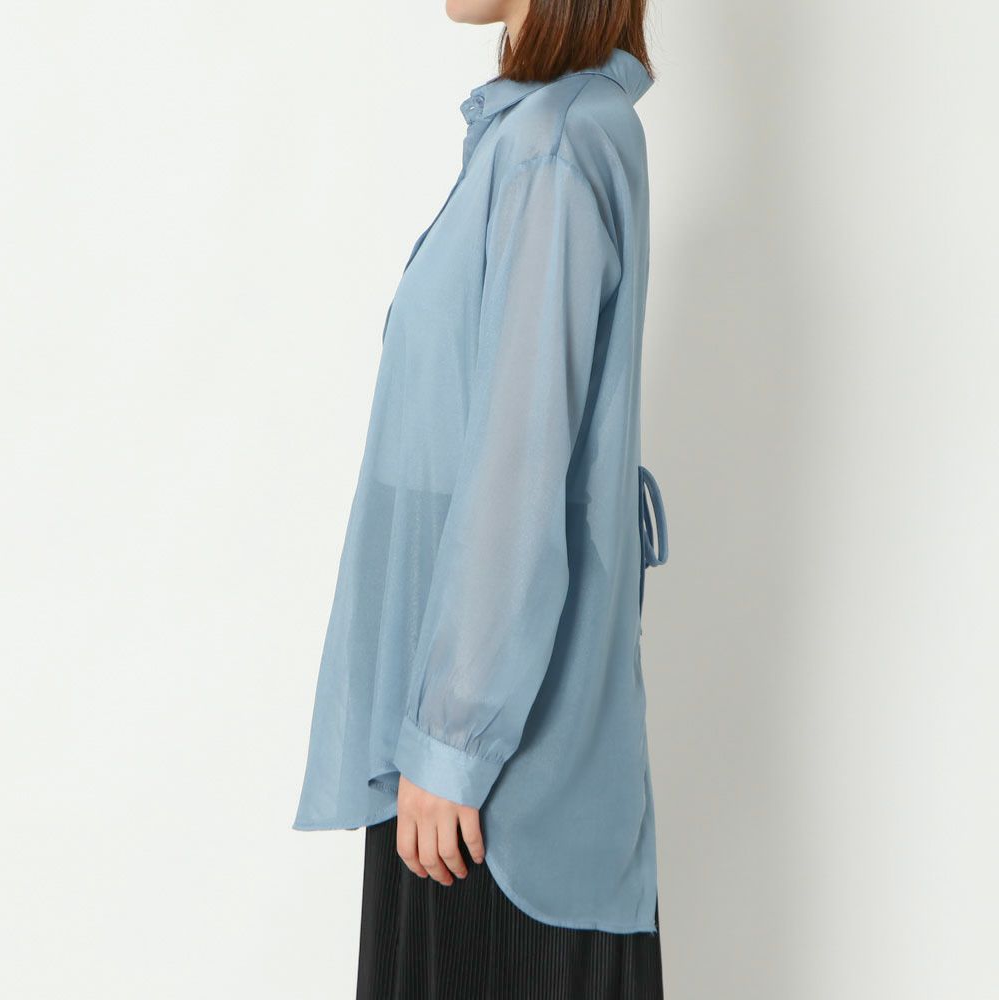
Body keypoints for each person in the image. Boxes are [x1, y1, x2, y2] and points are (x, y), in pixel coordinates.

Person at [293, 1, 669, 995]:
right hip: (462, 748)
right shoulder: (539, 133)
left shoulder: (554, 147)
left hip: (491, 791)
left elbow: (519, 471)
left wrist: (451, 745)